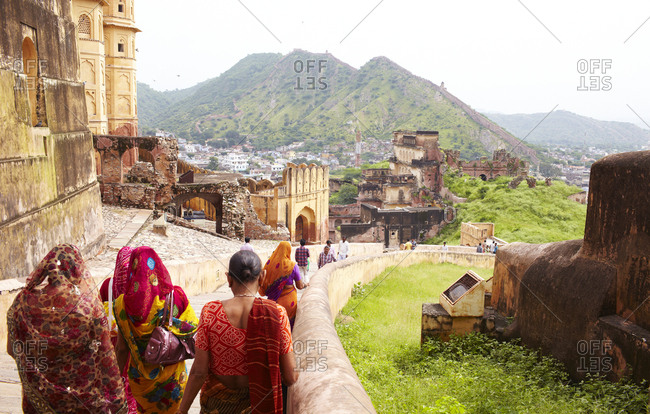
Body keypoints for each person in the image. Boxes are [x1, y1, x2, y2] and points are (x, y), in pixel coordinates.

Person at [7, 244, 127, 413]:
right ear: (78, 270)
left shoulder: (22, 303)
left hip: (38, 402)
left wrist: (43, 370)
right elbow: (106, 360)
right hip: (82, 404)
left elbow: (13, 350)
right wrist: (118, 401)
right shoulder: (89, 308)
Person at [175, 251, 298, 414]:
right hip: (258, 404)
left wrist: (182, 411)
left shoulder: (211, 312)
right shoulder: (277, 314)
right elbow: (290, 377)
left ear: (228, 278)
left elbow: (199, 371)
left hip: (216, 406)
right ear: (262, 277)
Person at [114, 246, 199, 414]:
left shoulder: (122, 305)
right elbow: (192, 328)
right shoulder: (176, 296)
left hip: (141, 383)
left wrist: (115, 383)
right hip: (173, 379)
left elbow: (121, 349)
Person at [99, 246, 138, 413]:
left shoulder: (108, 285)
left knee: (117, 384)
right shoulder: (139, 287)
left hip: (112, 345)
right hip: (136, 349)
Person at [259, 241, 308, 328]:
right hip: (289, 300)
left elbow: (262, 279)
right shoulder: (292, 265)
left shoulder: (270, 265)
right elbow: (300, 286)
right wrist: (306, 284)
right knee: (287, 324)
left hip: (273, 302)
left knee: (274, 326)